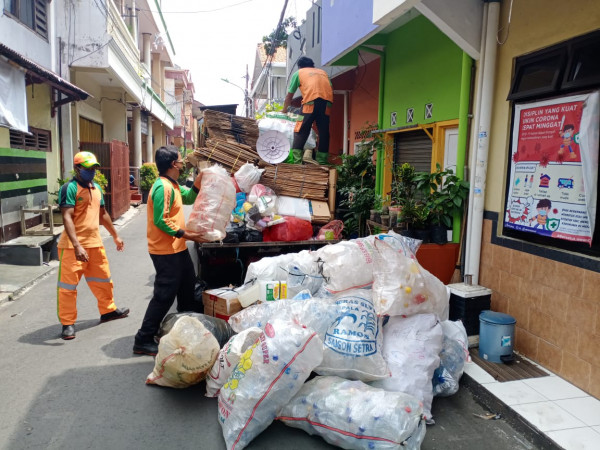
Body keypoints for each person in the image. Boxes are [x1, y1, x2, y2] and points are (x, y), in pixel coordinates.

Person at [133, 145, 207, 356]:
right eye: (181, 160)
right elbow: (161, 219)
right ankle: (143, 338)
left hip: (178, 249)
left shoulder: (173, 185)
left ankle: (183, 330)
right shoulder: (162, 188)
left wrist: (199, 182)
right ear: (174, 164)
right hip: (165, 251)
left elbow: (190, 198)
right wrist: (187, 234)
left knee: (187, 287)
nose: (184, 163)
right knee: (164, 295)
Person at [57, 152, 129, 340]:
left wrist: (115, 235)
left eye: (94, 168)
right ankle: (67, 323)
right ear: (77, 168)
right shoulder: (69, 188)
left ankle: (108, 311)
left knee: (103, 281)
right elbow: (67, 217)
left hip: (95, 243)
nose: (92, 171)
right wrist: (77, 245)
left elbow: (103, 214)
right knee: (68, 287)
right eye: (88, 168)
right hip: (73, 247)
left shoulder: (96, 188)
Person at [283, 56, 333, 165]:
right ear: (313, 65)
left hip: (310, 103)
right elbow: (329, 87)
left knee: (300, 130)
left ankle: (296, 161)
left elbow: (289, 96)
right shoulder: (323, 73)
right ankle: (322, 160)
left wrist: (284, 110)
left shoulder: (299, 73)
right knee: (324, 132)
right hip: (327, 104)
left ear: (300, 67)